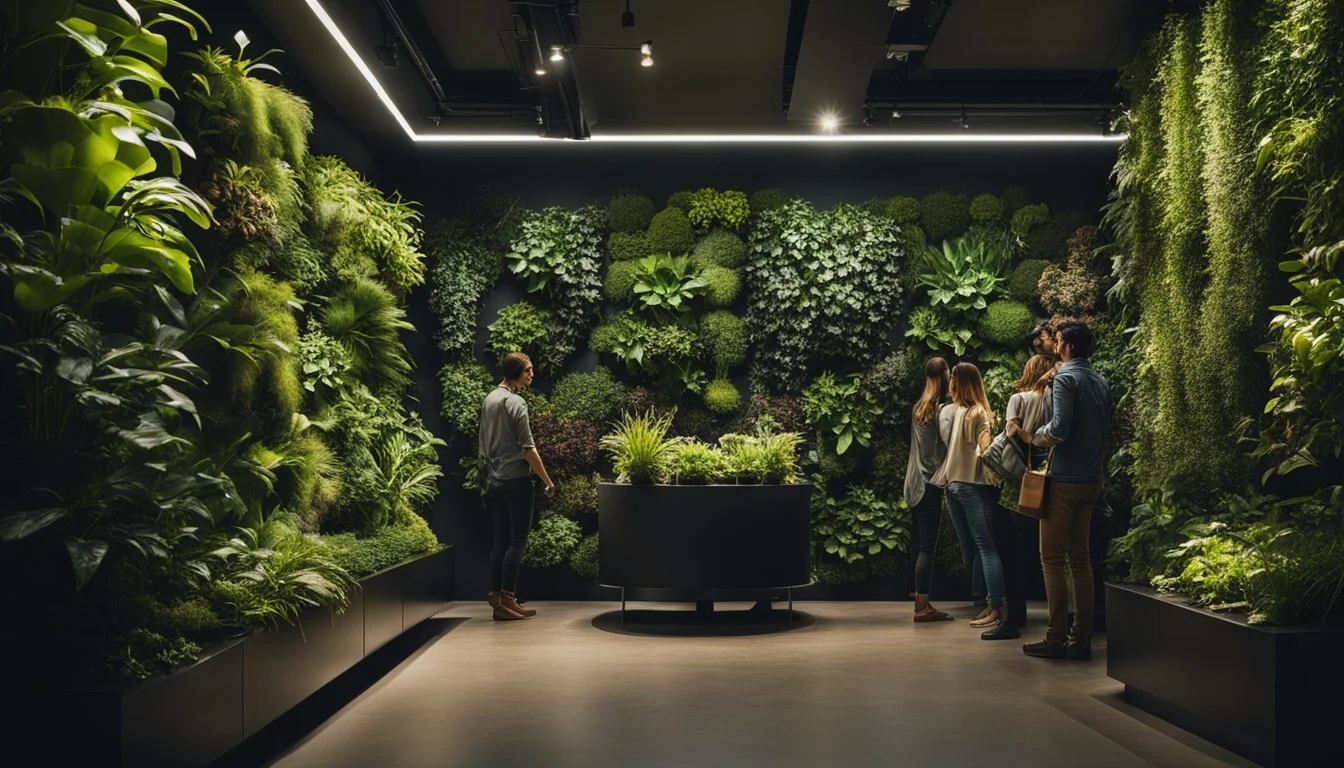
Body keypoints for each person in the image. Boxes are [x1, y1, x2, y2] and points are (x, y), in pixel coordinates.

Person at [1024, 321, 1112, 660]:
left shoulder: (1065, 379)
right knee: (1081, 560)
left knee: (1051, 559)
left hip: (1063, 479)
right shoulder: (1101, 381)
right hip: (1091, 477)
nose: (1055, 345)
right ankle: (1083, 637)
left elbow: (1059, 428)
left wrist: (1037, 436)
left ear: (1068, 347)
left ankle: (1056, 637)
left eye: (1058, 341)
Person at [480, 351, 556, 621]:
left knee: (499, 542)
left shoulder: (489, 399)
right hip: (517, 482)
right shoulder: (516, 403)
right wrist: (547, 481)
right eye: (528, 371)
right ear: (515, 372)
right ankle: (509, 599)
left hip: (494, 481)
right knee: (516, 542)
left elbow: (484, 446)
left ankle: (495, 596)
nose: (532, 375)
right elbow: (528, 449)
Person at [985, 354, 1056, 641]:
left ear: (1028, 372)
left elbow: (1011, 431)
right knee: (1044, 553)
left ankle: (1014, 619)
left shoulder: (1019, 399)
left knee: (1010, 554)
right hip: (1046, 477)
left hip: (1018, 482)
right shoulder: (1053, 399)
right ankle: (1058, 618)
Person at [938, 363, 1007, 637]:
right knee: (973, 549)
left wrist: (987, 454)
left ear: (962, 383)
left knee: (985, 547)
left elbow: (986, 447)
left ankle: (996, 606)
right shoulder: (961, 410)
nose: (950, 385)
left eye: (954, 380)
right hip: (954, 485)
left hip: (969, 486)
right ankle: (984, 601)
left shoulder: (979, 412)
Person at [904, 357, 953, 622]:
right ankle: (922, 607)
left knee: (917, 544)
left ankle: (915, 592)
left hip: (912, 483)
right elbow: (935, 455)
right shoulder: (939, 410)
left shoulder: (919, 408)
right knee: (927, 547)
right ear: (944, 377)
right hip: (928, 483)